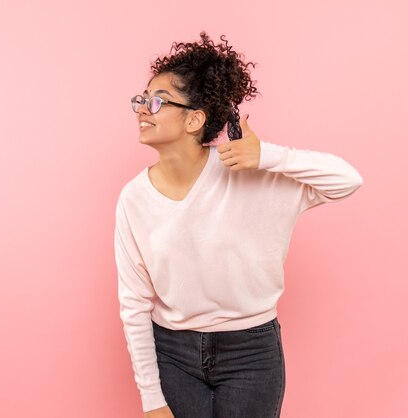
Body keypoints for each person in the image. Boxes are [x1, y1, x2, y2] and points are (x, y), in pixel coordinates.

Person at [114, 31, 363, 418]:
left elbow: (347, 179)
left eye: (157, 101)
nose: (143, 109)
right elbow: (133, 303)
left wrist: (266, 155)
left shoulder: (252, 174)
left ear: (194, 119)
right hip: (173, 354)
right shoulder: (134, 198)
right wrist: (152, 397)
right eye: (142, 100)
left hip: (251, 353)